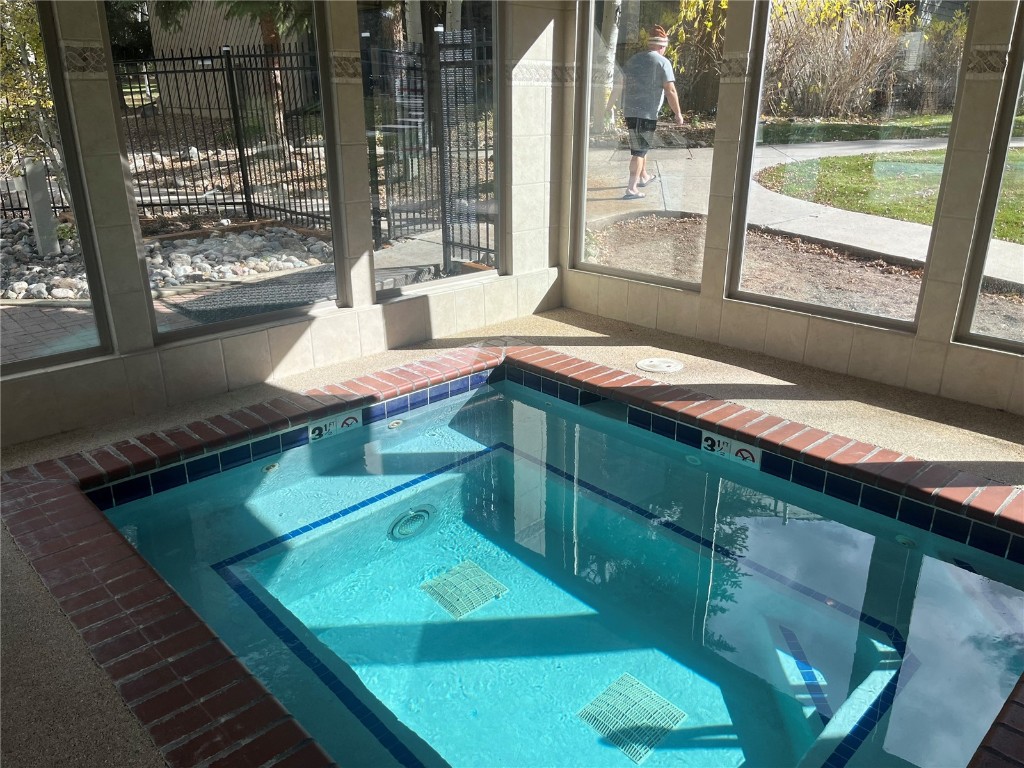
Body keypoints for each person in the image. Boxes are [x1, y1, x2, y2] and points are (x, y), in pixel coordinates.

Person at [620, 25, 684, 199]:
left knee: (642, 146)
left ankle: (644, 176)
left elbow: (621, 83)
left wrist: (611, 105)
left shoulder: (634, 59)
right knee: (639, 151)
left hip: (630, 110)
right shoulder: (663, 62)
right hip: (646, 113)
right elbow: (670, 90)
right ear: (662, 46)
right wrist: (678, 113)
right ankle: (631, 188)